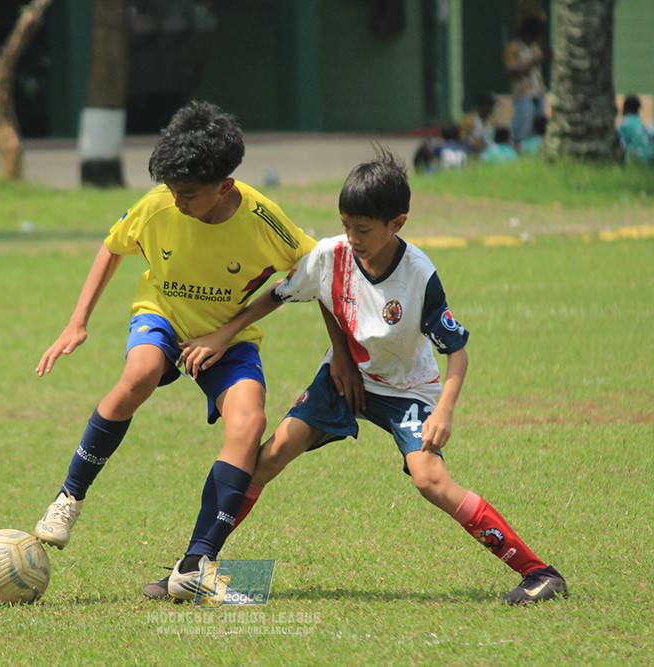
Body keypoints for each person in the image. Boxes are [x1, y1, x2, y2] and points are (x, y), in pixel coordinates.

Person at [145, 147, 568, 606]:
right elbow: (284, 294)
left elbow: (458, 351)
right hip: (344, 380)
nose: (352, 237)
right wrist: (227, 334)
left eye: (363, 229)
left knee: (430, 480)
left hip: (407, 389)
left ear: (397, 224)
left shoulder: (419, 275)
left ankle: (538, 572)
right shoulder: (331, 254)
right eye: (346, 225)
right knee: (268, 458)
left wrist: (443, 412)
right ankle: (192, 568)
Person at [31, 101, 318, 600]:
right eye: (172, 190)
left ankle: (196, 561)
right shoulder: (160, 204)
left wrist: (227, 332)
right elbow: (112, 246)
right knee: (139, 373)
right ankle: (68, 498)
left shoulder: (264, 220)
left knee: (250, 424)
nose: (177, 201)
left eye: (188, 193)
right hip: (162, 316)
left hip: (227, 335)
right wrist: (77, 322)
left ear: (225, 186)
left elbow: (312, 271)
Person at [504, 15, 547, 147]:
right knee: (523, 126)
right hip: (523, 94)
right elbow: (512, 72)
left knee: (539, 126)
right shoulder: (513, 48)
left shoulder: (535, 48)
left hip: (538, 92)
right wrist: (533, 62)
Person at [617, 96, 654, 164]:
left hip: (633, 158)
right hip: (648, 158)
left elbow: (619, 141)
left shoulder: (625, 122)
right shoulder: (641, 123)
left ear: (625, 108)